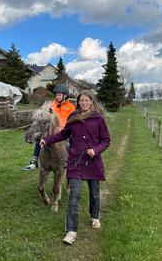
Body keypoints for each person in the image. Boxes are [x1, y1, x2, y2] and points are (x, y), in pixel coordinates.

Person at [40, 90, 110, 245]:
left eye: (86, 100)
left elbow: (106, 140)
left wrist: (96, 150)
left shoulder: (98, 119)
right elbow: (63, 135)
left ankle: (95, 216)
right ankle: (71, 230)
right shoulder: (73, 118)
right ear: (78, 102)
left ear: (91, 101)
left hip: (93, 162)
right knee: (74, 195)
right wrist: (47, 139)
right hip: (76, 162)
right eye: (81, 101)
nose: (83, 103)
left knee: (94, 193)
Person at [22, 84, 75, 170]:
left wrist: (63, 128)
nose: (58, 97)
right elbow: (45, 115)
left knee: (70, 142)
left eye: (60, 95)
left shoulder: (71, 107)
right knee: (40, 138)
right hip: (51, 129)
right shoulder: (51, 105)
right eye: (57, 95)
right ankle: (34, 160)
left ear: (65, 96)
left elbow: (72, 120)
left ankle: (69, 161)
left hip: (64, 130)